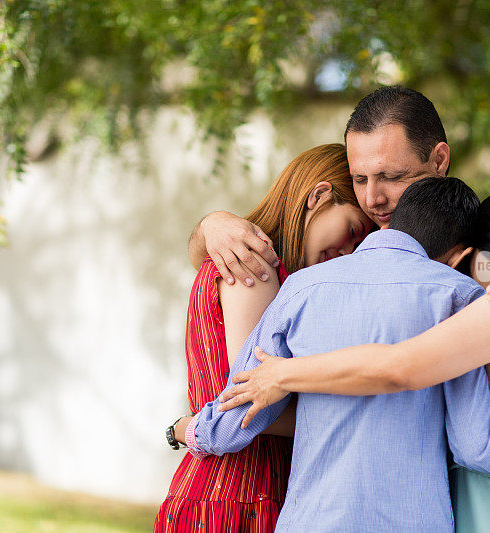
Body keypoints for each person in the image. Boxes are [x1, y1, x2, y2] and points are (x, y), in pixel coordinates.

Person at [184, 177, 490, 533]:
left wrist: (183, 431)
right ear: (459, 255)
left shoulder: (301, 287)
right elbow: (477, 444)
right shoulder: (458, 297)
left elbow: (236, 417)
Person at [186, 86, 490, 370]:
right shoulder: (352, 243)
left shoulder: (485, 241)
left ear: (438, 160)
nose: (372, 198)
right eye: (360, 179)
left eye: (391, 176)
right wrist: (211, 226)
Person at [155, 144, 373, 533]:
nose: (347, 251)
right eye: (353, 230)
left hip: (224, 486)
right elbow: (249, 406)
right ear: (319, 196)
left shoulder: (252, 263)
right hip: (245, 493)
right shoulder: (256, 267)